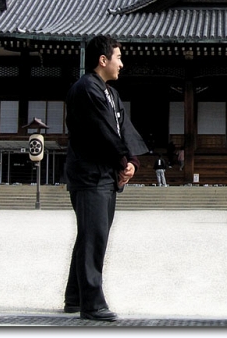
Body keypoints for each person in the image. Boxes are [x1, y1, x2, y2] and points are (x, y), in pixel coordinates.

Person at [63, 35, 148, 322]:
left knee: (90, 235)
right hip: (89, 175)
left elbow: (124, 128)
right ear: (103, 60)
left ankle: (75, 296)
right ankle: (92, 303)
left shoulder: (109, 93)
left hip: (103, 173)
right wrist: (122, 162)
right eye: (118, 57)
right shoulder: (87, 89)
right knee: (94, 237)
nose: (121, 64)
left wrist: (132, 162)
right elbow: (102, 131)